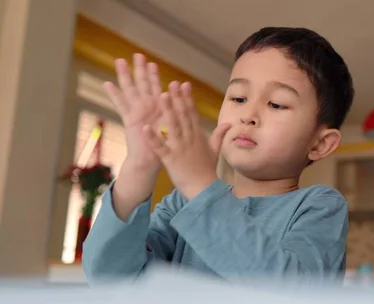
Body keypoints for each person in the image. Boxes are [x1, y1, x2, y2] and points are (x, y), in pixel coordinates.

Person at [82, 27, 355, 285]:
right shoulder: (181, 203)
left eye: (276, 104)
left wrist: (200, 187)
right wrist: (138, 167)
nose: (248, 115)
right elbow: (109, 277)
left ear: (320, 144)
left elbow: (290, 291)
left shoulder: (320, 206)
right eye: (238, 98)